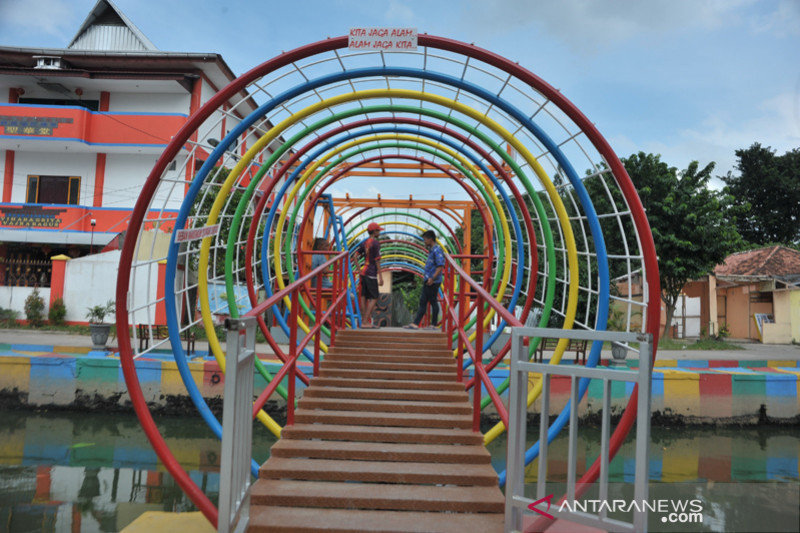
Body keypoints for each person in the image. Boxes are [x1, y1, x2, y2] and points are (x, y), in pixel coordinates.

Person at [405, 229, 445, 330]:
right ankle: (417, 323)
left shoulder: (437, 250)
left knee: (431, 301)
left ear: (430, 239)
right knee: (425, 301)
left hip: (433, 281)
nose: (424, 242)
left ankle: (432, 324)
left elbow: (440, 266)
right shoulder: (432, 250)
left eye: (425, 240)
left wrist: (432, 278)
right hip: (429, 280)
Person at [358, 222, 383, 328]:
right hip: (371, 273)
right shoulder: (376, 244)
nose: (379, 232)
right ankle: (365, 322)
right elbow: (377, 261)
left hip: (364, 272)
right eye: (378, 230)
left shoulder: (364, 243)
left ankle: (364, 322)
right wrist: (380, 276)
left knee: (364, 297)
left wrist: (359, 270)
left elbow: (355, 256)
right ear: (374, 231)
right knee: (375, 297)